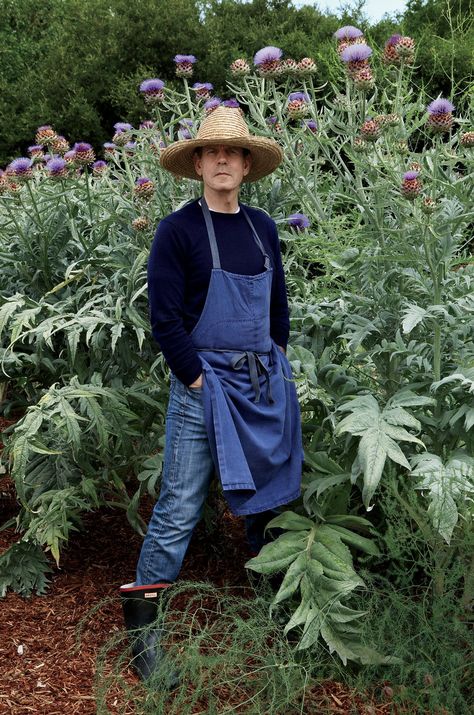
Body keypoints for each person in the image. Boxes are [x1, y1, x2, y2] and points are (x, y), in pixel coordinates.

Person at [120, 106, 303, 681]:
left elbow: (278, 310)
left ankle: (278, 618)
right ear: (198, 163)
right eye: (212, 152)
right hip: (203, 389)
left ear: (247, 164)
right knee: (178, 507)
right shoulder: (178, 231)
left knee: (270, 498)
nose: (222, 160)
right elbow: (165, 320)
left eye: (233, 152)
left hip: (260, 384)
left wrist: (275, 366)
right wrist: (198, 381)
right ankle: (144, 634)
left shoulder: (263, 228)